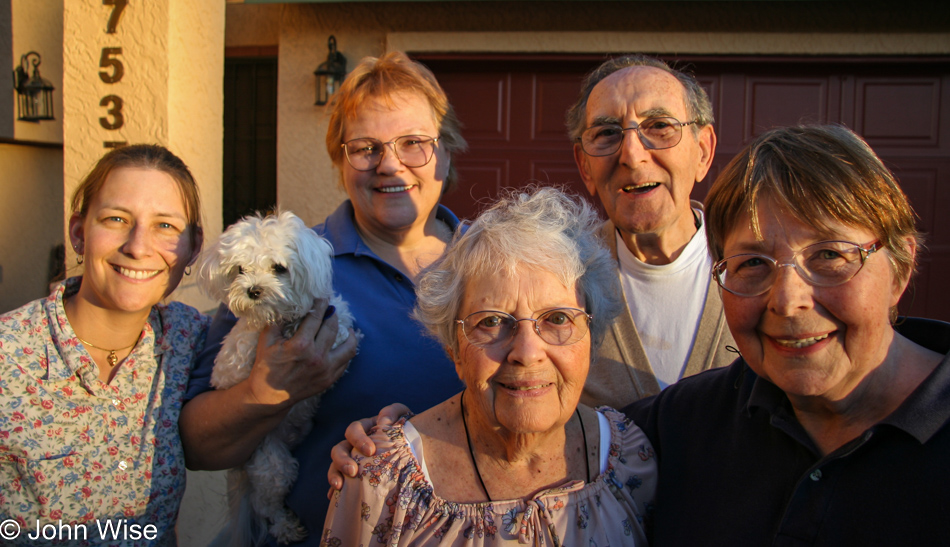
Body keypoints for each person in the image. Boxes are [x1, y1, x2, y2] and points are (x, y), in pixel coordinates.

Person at [179, 51, 469, 542]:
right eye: (365, 147)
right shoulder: (289, 264)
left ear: (446, 150)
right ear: (339, 158)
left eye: (414, 143)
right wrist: (264, 391)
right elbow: (199, 447)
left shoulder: (493, 263)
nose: (390, 164)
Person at [626, 124, 950, 545]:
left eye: (830, 254)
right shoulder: (681, 427)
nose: (787, 300)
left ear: (900, 268)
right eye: (753, 263)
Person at [322, 186, 657, 545]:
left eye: (558, 318)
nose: (527, 352)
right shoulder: (381, 479)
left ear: (591, 336)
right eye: (493, 321)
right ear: (454, 348)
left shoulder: (629, 459)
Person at [0, 144, 209, 544]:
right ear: (80, 233)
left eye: (166, 226)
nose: (137, 245)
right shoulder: (9, 354)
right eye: (116, 219)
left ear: (193, 247)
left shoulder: (190, 339)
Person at [567, 55, 735, 407]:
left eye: (659, 126)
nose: (632, 154)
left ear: (702, 152)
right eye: (607, 133)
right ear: (585, 167)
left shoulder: (760, 269)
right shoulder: (561, 276)